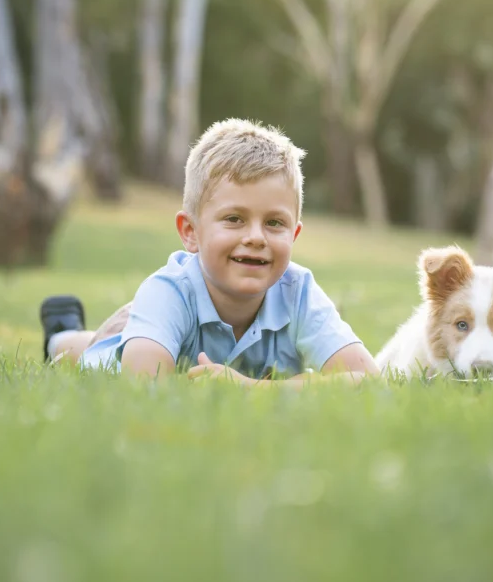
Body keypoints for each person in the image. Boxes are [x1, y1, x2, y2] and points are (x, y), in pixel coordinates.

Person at [40, 118, 380, 386]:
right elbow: (142, 382)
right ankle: (59, 335)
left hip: (166, 322)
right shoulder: (167, 293)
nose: (256, 237)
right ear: (191, 232)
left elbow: (368, 380)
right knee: (96, 346)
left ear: (294, 234)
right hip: (150, 321)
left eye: (274, 223)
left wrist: (252, 389)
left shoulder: (298, 292)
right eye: (234, 219)